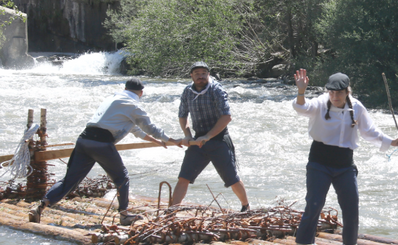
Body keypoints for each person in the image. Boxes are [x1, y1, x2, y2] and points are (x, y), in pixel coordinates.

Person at [290, 69, 398, 245]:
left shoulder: (356, 107)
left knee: (351, 207)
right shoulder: (320, 103)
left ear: (347, 92)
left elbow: (370, 132)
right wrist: (301, 92)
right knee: (314, 204)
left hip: (344, 164)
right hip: (319, 161)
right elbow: (302, 108)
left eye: (339, 93)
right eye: (332, 93)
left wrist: (392, 142)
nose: (335, 97)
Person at [29, 78, 180, 225]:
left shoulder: (112, 99)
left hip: (83, 140)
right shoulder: (133, 106)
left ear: (125, 89)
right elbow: (150, 128)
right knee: (122, 178)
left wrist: (156, 142)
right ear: (141, 93)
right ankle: (124, 215)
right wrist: (170, 139)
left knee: (69, 180)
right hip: (101, 144)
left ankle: (41, 205)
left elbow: (135, 129)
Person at [171, 61, 249, 211]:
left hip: (218, 140)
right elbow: (182, 116)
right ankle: (172, 211)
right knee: (184, 177)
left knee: (232, 178)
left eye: (203, 73)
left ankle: (246, 207)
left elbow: (226, 117)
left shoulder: (216, 90)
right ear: (191, 76)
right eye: (197, 74)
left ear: (208, 75)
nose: (201, 76)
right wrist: (187, 136)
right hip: (197, 142)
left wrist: (208, 136)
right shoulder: (187, 91)